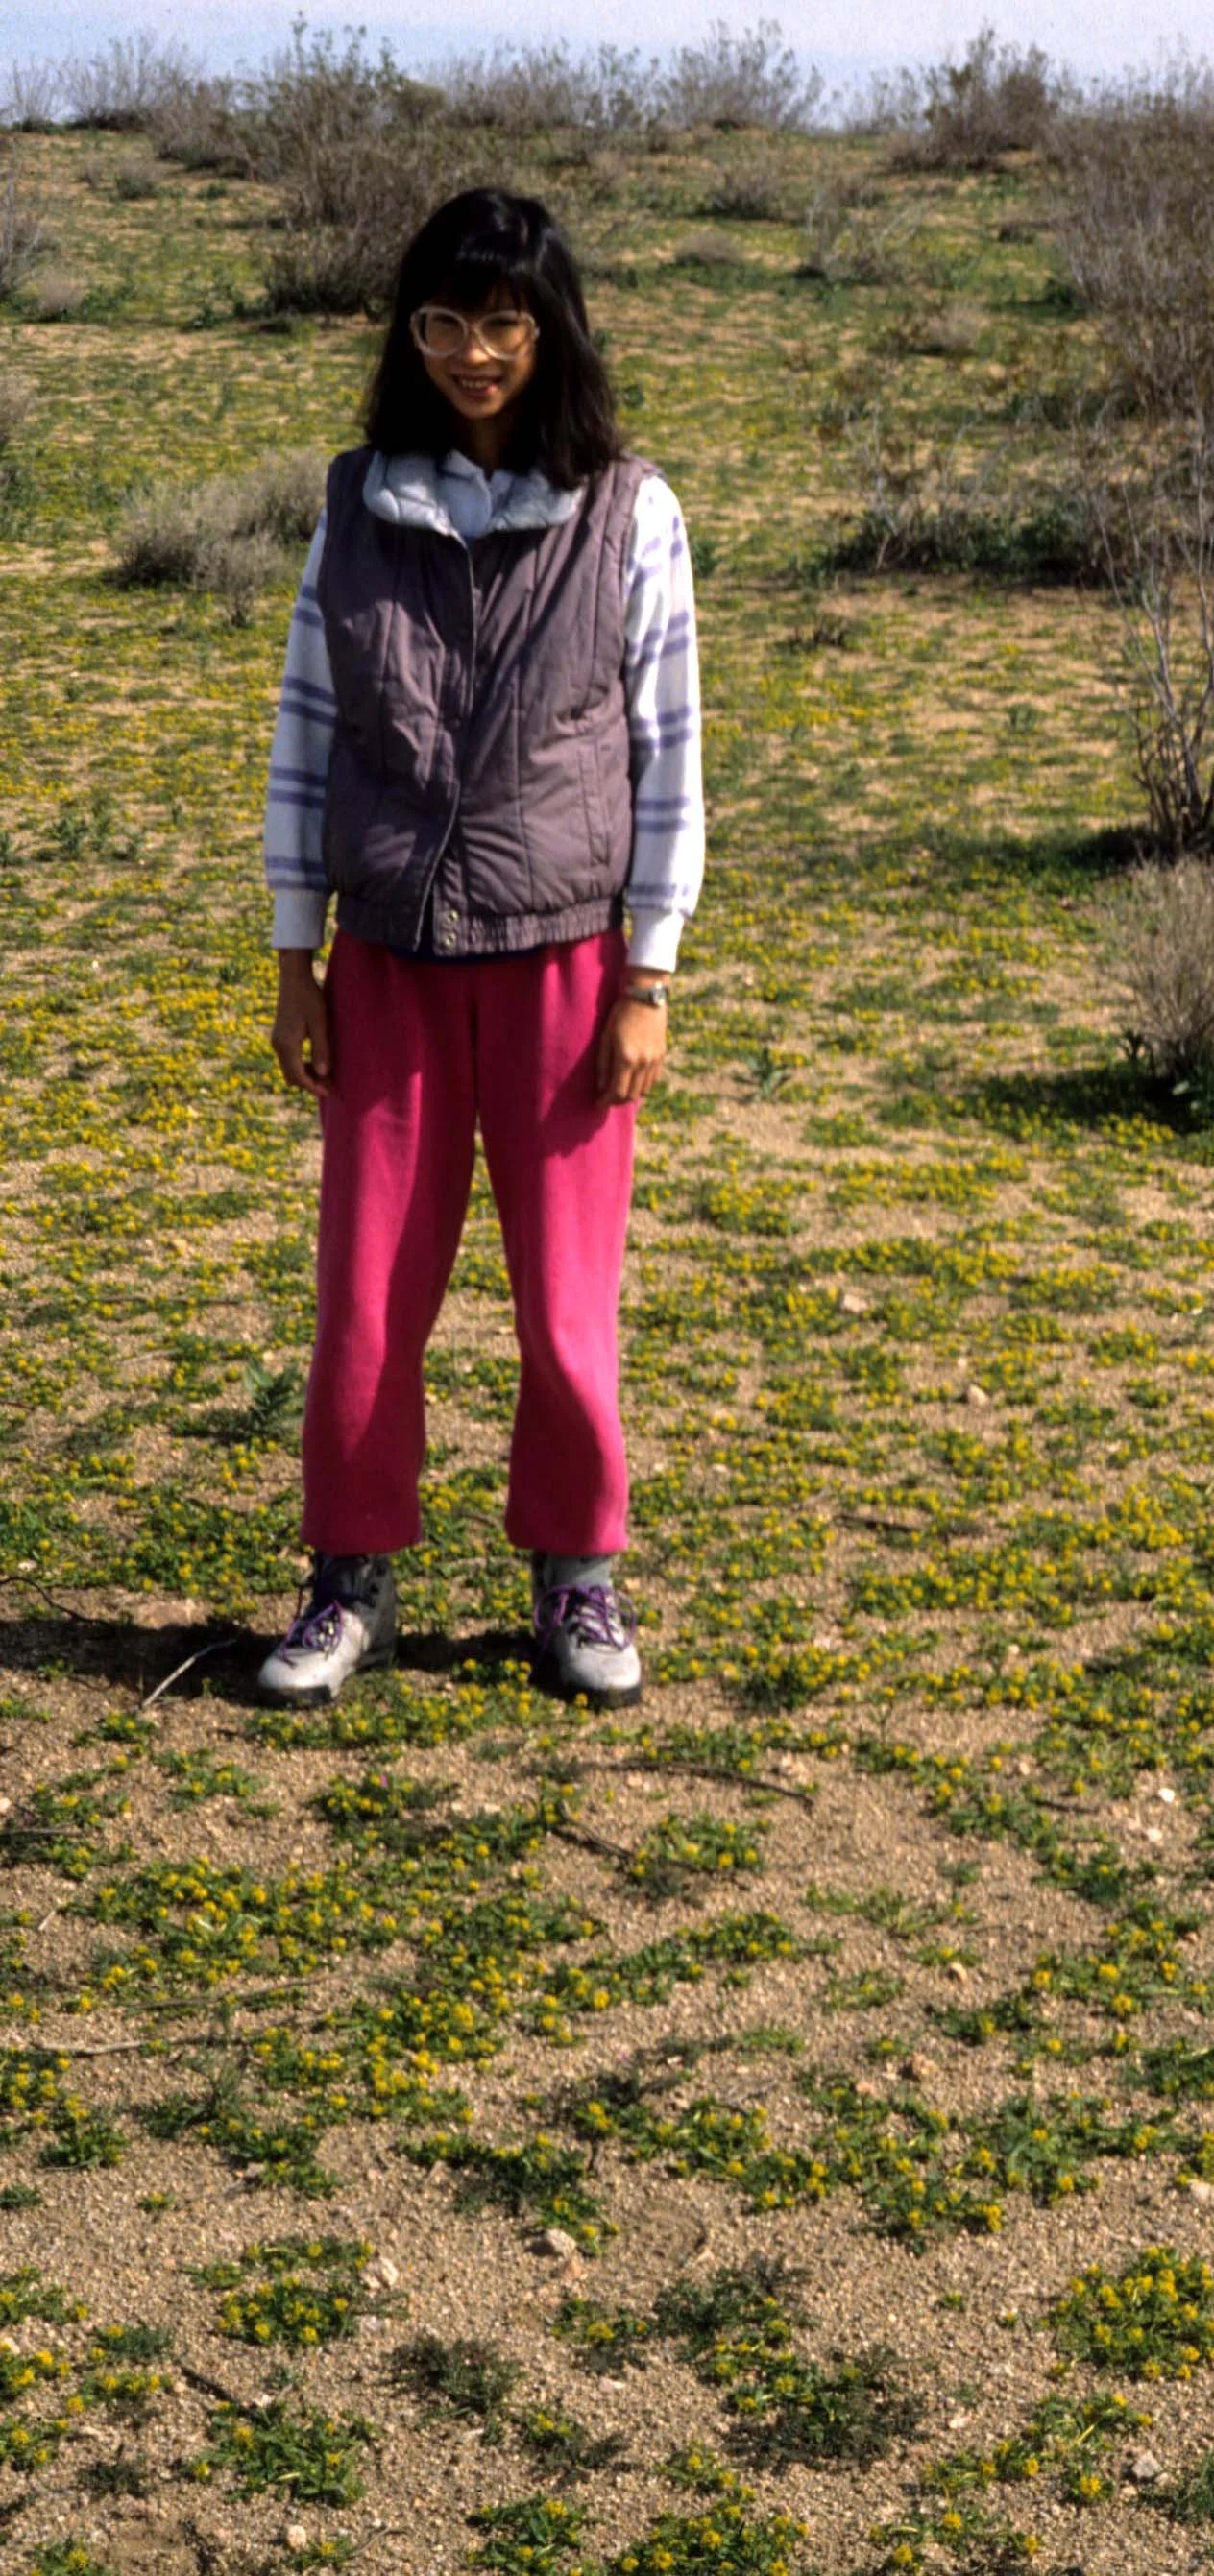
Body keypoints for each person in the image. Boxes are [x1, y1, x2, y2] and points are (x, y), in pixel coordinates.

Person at [254, 188, 703, 1713]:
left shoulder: (629, 509)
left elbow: (669, 754)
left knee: (569, 1305)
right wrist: (291, 948)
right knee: (366, 1294)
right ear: (410, 333)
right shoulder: (355, 503)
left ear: (551, 326)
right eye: (443, 322)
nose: (473, 353)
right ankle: (347, 1579)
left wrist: (648, 974)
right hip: (385, 958)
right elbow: (308, 734)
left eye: (504, 320)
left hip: (569, 968)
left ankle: (577, 1575)